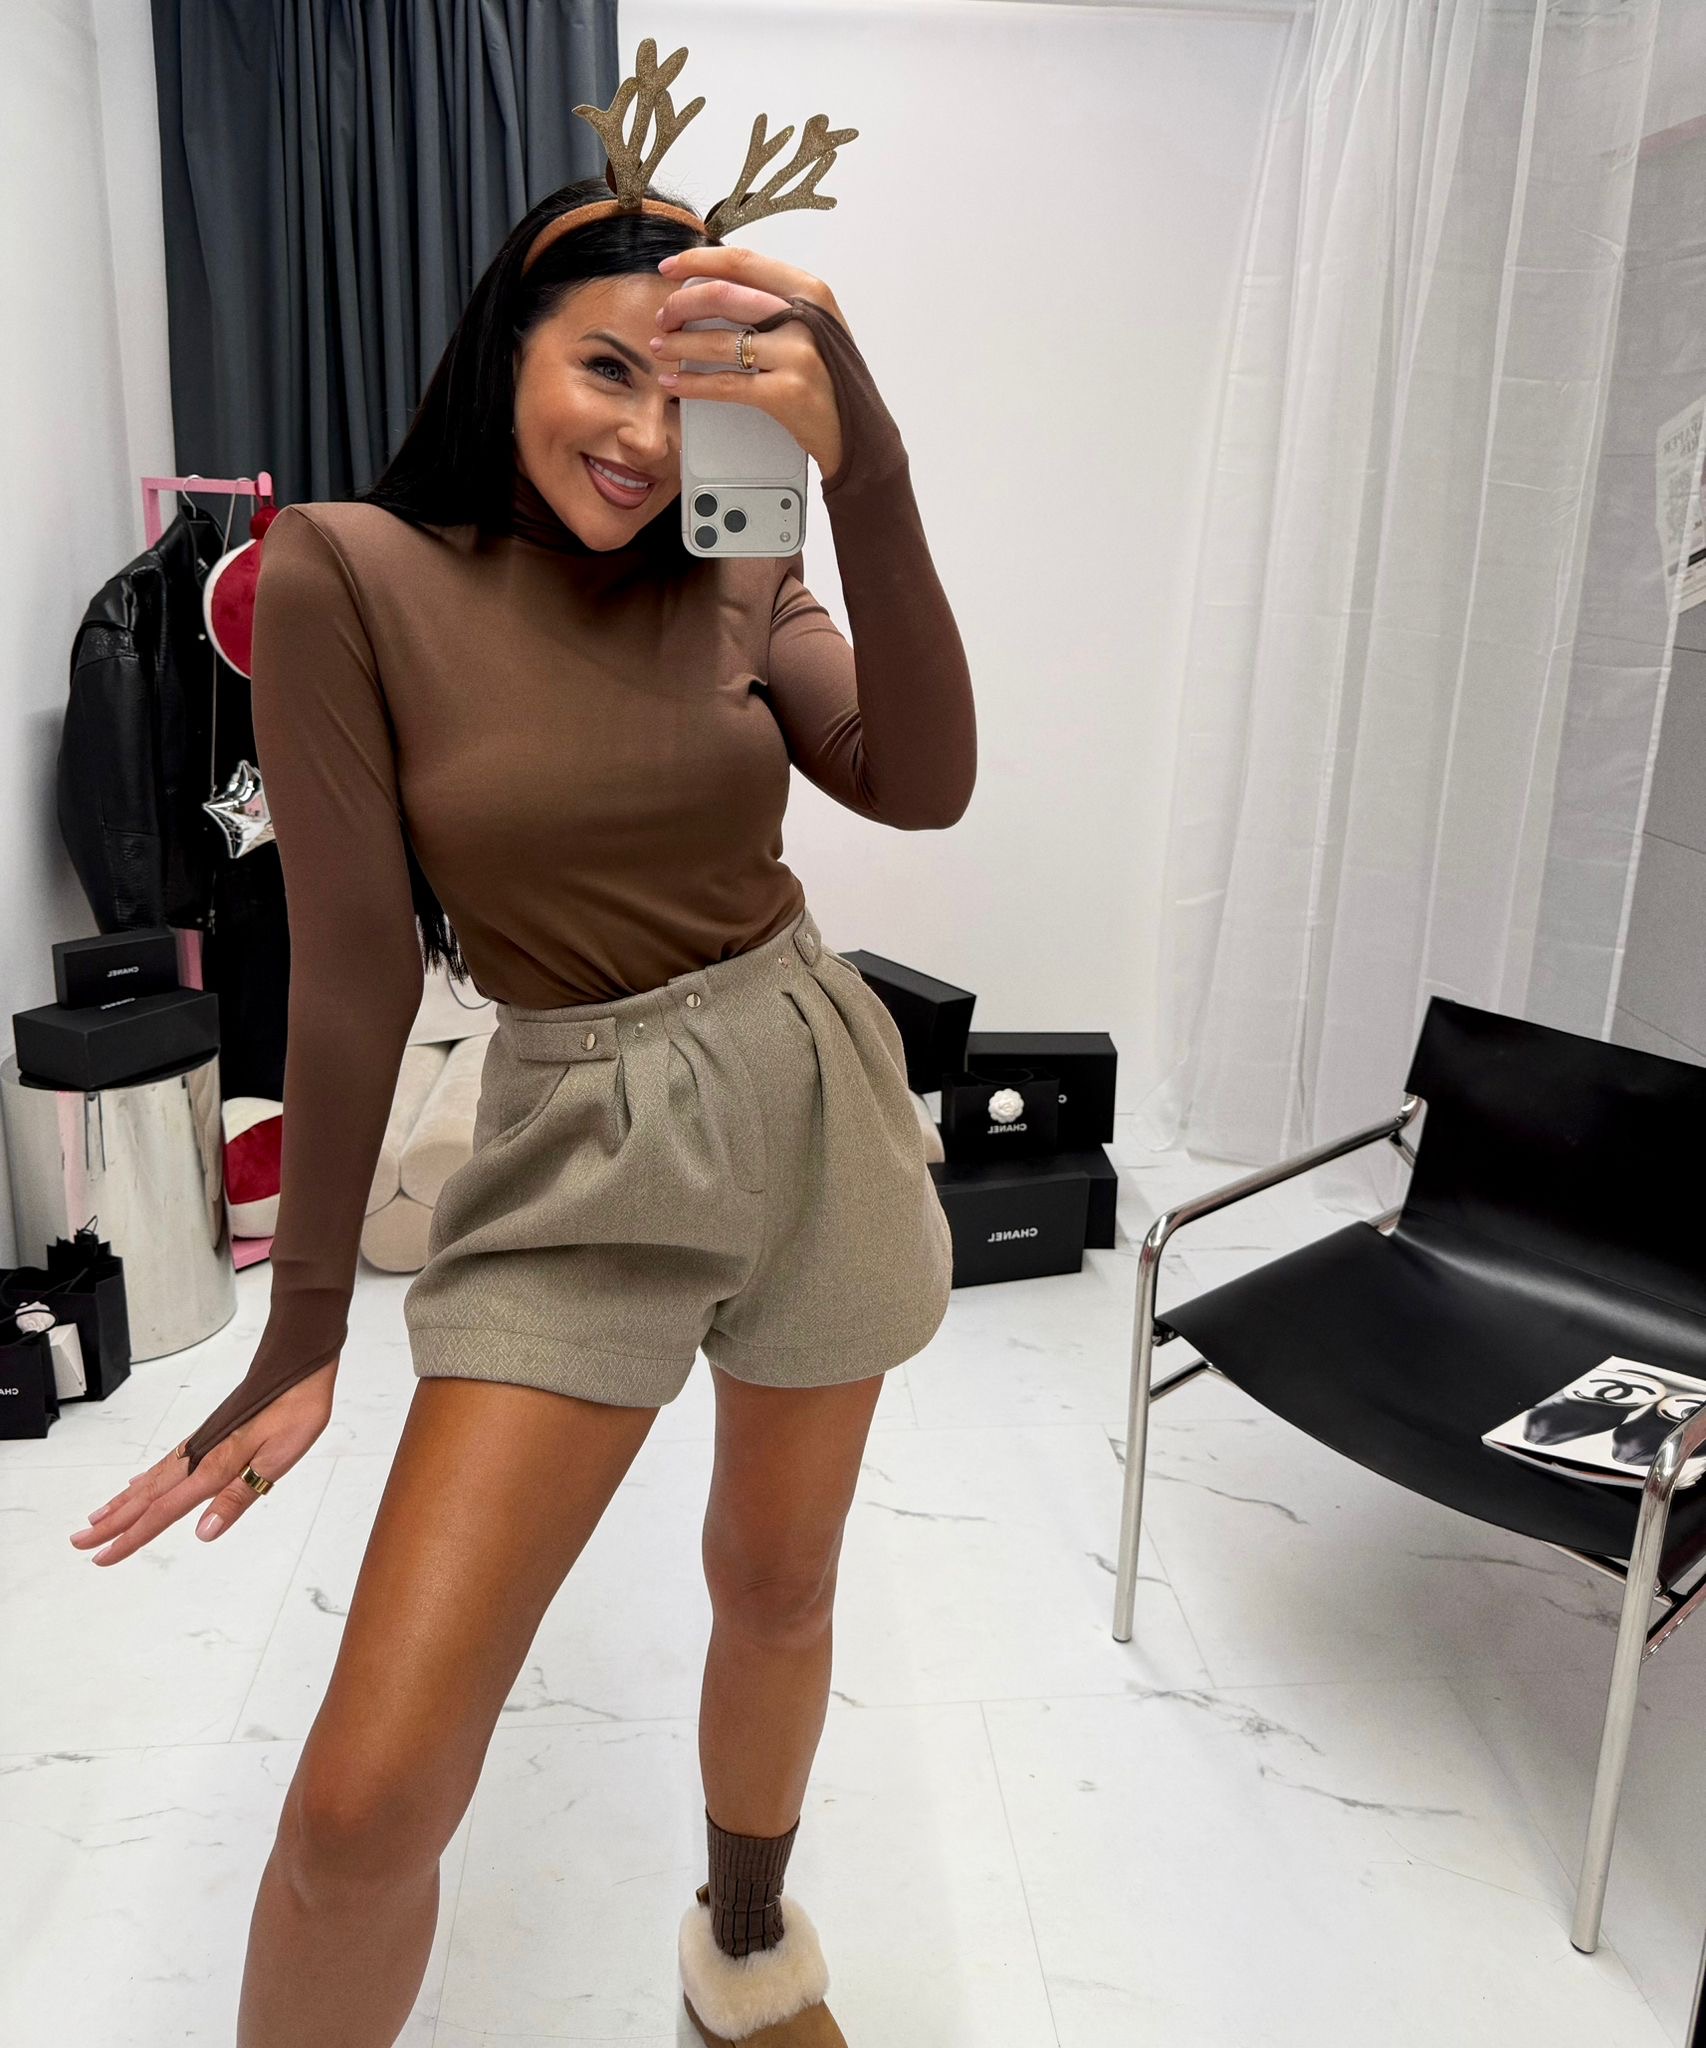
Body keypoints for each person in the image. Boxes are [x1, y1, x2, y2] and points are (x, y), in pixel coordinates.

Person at [68, 166, 974, 2047]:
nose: (645, 439)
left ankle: (742, 1950)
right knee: (360, 1810)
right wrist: (304, 1325)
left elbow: (919, 778)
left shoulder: (738, 550)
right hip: (577, 1146)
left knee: (778, 1585)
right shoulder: (346, 571)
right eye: (604, 370)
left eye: (691, 396)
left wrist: (866, 469)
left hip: (809, 1093)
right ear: (507, 352)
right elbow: (352, 968)